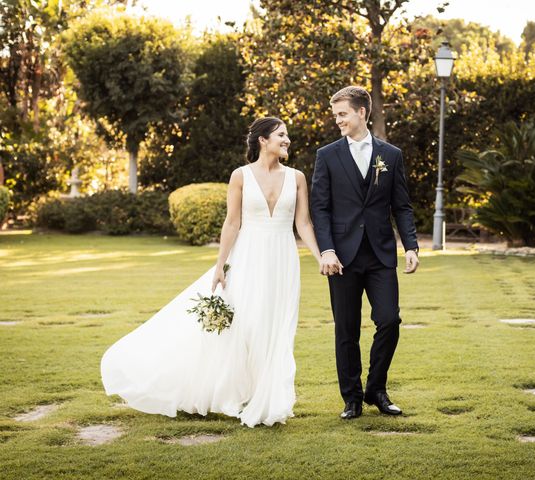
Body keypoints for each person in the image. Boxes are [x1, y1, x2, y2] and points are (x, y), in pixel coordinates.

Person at [101, 117, 322, 428]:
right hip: (247, 258)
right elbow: (232, 223)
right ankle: (245, 394)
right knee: (247, 325)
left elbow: (304, 224)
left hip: (283, 261)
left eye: (287, 135)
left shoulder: (297, 177)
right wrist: (220, 265)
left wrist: (320, 257)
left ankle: (270, 398)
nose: (287, 140)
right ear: (263, 140)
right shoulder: (240, 176)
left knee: (278, 328)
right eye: (281, 135)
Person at [311, 86, 419, 420]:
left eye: (342, 114)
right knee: (346, 329)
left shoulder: (391, 155)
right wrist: (326, 250)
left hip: (380, 254)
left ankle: (376, 389)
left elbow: (401, 205)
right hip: (341, 258)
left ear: (361, 112)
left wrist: (411, 245)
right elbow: (320, 207)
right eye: (335, 115)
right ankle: (352, 399)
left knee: (389, 320)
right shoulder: (327, 155)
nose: (338, 120)